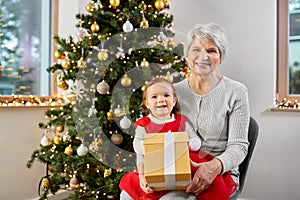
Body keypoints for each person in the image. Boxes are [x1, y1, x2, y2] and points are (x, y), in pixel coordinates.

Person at [160, 23, 250, 199]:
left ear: (220, 57)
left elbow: (239, 146)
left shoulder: (236, 91)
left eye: (211, 50)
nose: (203, 56)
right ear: (187, 54)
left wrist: (215, 166)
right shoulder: (173, 92)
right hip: (180, 170)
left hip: (220, 172)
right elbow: (158, 132)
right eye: (196, 49)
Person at [119, 77, 237, 200]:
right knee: (130, 189)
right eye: (154, 97)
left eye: (166, 95)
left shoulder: (181, 121)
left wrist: (187, 143)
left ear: (174, 100)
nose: (161, 100)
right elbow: (138, 149)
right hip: (156, 164)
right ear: (147, 103)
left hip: (182, 161)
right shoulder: (144, 125)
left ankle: (190, 193)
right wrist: (150, 151)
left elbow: (196, 141)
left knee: (198, 177)